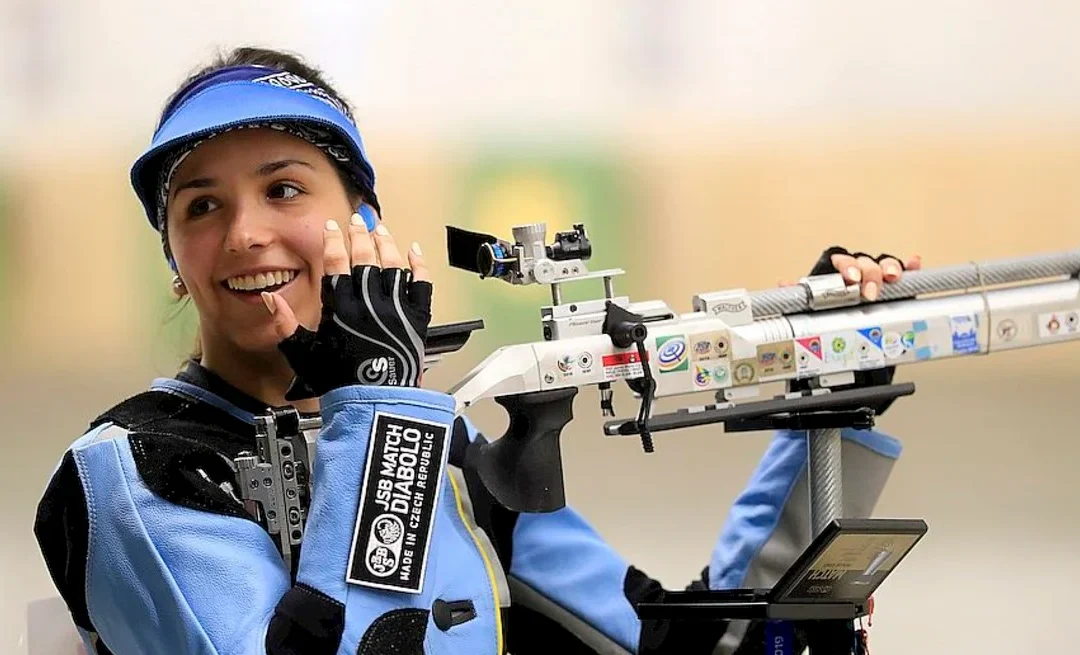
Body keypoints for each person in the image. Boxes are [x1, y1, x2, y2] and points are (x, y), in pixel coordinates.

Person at [32, 46, 919, 655]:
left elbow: (692, 641)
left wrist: (825, 392)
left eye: (284, 188)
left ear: (363, 226)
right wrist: (380, 405)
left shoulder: (444, 452)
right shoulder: (132, 472)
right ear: (175, 264)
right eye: (201, 206)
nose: (245, 233)